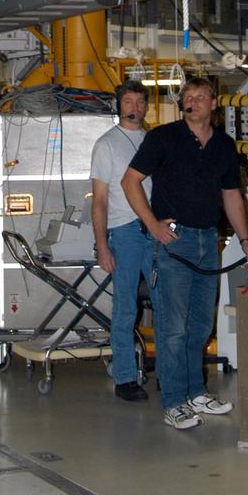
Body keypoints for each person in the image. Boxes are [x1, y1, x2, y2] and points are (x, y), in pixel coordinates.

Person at [121, 76, 248, 430]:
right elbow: (130, 181)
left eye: (200, 97)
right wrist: (153, 225)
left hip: (207, 241)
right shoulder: (163, 138)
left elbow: (231, 195)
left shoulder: (224, 146)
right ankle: (174, 401)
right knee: (172, 328)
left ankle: (196, 392)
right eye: (187, 97)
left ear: (214, 103)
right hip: (173, 242)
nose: (192, 101)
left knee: (199, 325)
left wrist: (246, 241)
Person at [90, 79, 155, 402]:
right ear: (120, 106)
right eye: (128, 102)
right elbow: (99, 200)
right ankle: (125, 376)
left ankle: (169, 370)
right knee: (125, 307)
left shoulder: (153, 140)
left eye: (140, 101)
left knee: (166, 301)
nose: (135, 108)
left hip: (155, 230)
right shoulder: (107, 145)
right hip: (124, 230)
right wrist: (102, 245)